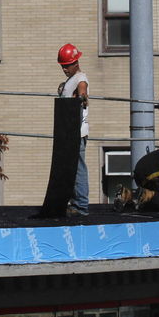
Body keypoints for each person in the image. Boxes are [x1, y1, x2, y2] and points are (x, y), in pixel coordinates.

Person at [57, 43, 90, 217]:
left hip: (77, 133)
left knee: (78, 168)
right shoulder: (69, 80)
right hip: (69, 132)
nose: (64, 69)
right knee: (69, 168)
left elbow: (83, 88)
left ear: (76, 62)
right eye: (62, 65)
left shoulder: (80, 77)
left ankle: (81, 206)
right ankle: (73, 203)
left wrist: (83, 96)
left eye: (67, 65)